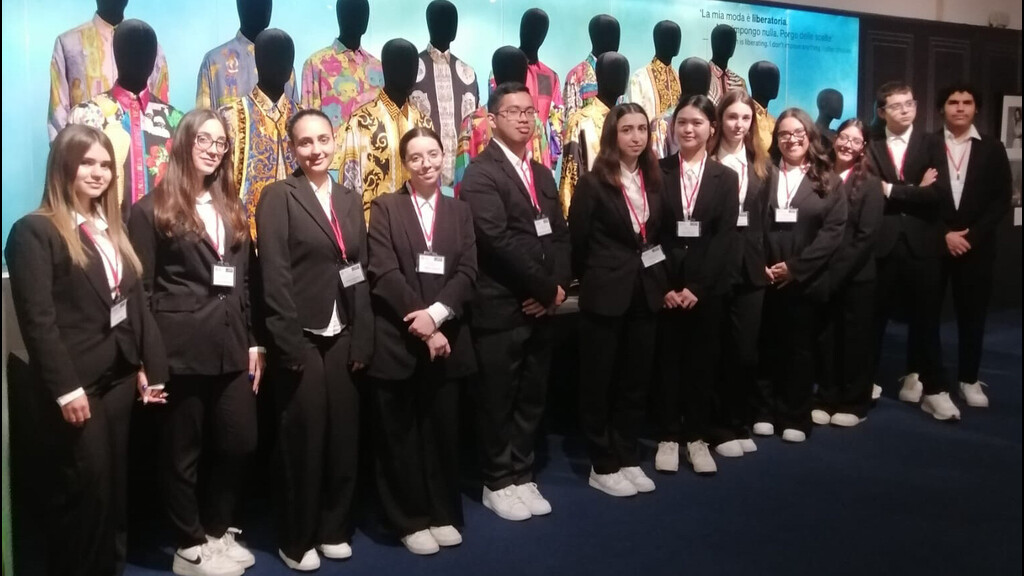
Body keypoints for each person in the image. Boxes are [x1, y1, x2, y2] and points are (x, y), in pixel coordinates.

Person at [5, 124, 168, 576]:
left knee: (114, 490)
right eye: (87, 163)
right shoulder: (34, 231)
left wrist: (144, 364)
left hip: (117, 377)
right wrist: (65, 389)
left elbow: (130, 303)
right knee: (86, 493)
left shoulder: (110, 228)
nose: (99, 173)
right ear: (63, 166)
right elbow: (38, 321)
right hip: (77, 387)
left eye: (106, 165)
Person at [128, 109, 261, 576]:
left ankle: (217, 530)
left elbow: (244, 281)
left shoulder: (232, 204)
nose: (212, 149)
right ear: (184, 142)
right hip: (178, 350)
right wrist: (146, 359)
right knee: (181, 452)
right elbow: (141, 291)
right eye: (203, 139)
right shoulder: (150, 209)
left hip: (232, 343)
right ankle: (188, 544)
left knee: (240, 441)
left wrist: (254, 342)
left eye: (220, 143)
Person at [255, 109, 374, 571]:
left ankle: (333, 527)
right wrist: (286, 343)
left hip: (343, 330)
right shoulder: (278, 196)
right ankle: (296, 537)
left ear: (334, 140)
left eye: (323, 139)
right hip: (300, 335)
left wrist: (363, 336)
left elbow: (358, 269)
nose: (316, 149)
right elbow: (275, 275)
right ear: (292, 148)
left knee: (344, 434)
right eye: (305, 142)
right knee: (303, 438)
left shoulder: (349, 198)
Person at [459, 82, 571, 521]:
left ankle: (522, 474)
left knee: (532, 395)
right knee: (497, 399)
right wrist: (543, 289)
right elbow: (496, 239)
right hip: (501, 305)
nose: (524, 119)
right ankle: (497, 480)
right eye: (513, 112)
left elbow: (559, 234)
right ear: (493, 120)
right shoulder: (480, 174)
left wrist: (557, 287)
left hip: (542, 306)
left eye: (529, 111)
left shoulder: (541, 173)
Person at [365, 127, 478, 555]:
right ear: (404, 164)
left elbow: (468, 271)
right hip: (399, 340)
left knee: (443, 432)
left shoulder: (460, 211)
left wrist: (437, 315)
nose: (426, 163)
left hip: (447, 339)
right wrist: (424, 323)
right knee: (400, 436)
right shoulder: (386, 207)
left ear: (444, 155)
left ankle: (443, 511)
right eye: (416, 157)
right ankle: (409, 519)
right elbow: (383, 272)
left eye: (433, 154)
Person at [568, 102, 667, 496]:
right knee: (599, 382)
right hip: (605, 293)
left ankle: (627, 455)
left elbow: (657, 234)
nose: (636, 137)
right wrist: (598, 274)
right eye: (627, 129)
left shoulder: (655, 179)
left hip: (646, 292)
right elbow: (578, 241)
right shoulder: (593, 183)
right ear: (613, 134)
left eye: (642, 129)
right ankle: (602, 462)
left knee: (635, 380)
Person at [653, 95, 739, 475]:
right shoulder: (657, 171)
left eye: (697, 123)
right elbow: (650, 232)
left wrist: (698, 287)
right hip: (666, 286)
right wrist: (663, 285)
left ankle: (697, 437)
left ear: (712, 129)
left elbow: (725, 238)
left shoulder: (726, 178)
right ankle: (669, 435)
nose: (688, 129)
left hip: (706, 289)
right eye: (682, 122)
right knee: (667, 363)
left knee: (703, 363)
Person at [759, 108, 846, 443]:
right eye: (784, 134)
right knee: (766, 345)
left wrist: (795, 268)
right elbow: (751, 221)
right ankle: (764, 410)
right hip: (766, 276)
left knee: (800, 349)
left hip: (806, 280)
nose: (791, 139)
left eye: (798, 133)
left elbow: (832, 233)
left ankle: (795, 414)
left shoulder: (828, 180)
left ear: (809, 136)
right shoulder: (764, 173)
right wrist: (760, 264)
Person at [932, 83, 1012, 413]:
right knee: (927, 315)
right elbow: (918, 196)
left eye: (967, 102)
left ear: (976, 108)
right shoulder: (928, 144)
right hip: (935, 244)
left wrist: (972, 236)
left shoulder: (992, 148)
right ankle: (926, 377)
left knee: (973, 316)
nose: (960, 108)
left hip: (976, 247)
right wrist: (944, 234)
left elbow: (1001, 199)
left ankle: (969, 378)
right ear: (942, 108)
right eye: (953, 102)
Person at [864, 82, 945, 409]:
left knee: (927, 320)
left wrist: (893, 190)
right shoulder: (870, 144)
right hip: (882, 244)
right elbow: (869, 189)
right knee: (874, 319)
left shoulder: (932, 143)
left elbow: (937, 194)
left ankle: (934, 389)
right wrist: (915, 189)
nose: (905, 110)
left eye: (909, 103)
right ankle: (863, 383)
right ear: (882, 112)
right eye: (896, 106)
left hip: (922, 244)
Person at [708, 91, 772, 458]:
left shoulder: (760, 163)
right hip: (716, 265)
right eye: (732, 117)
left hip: (751, 266)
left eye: (745, 118)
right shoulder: (708, 159)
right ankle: (717, 426)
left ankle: (737, 419)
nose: (739, 124)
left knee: (745, 350)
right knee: (716, 348)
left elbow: (764, 219)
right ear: (720, 120)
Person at [814, 119, 884, 427]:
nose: (847, 144)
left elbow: (866, 237)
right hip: (820, 272)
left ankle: (854, 402)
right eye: (844, 137)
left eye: (855, 141)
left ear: (863, 147)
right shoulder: (820, 175)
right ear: (835, 139)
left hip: (856, 277)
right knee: (826, 337)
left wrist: (835, 274)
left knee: (855, 340)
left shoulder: (870, 183)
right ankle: (826, 396)